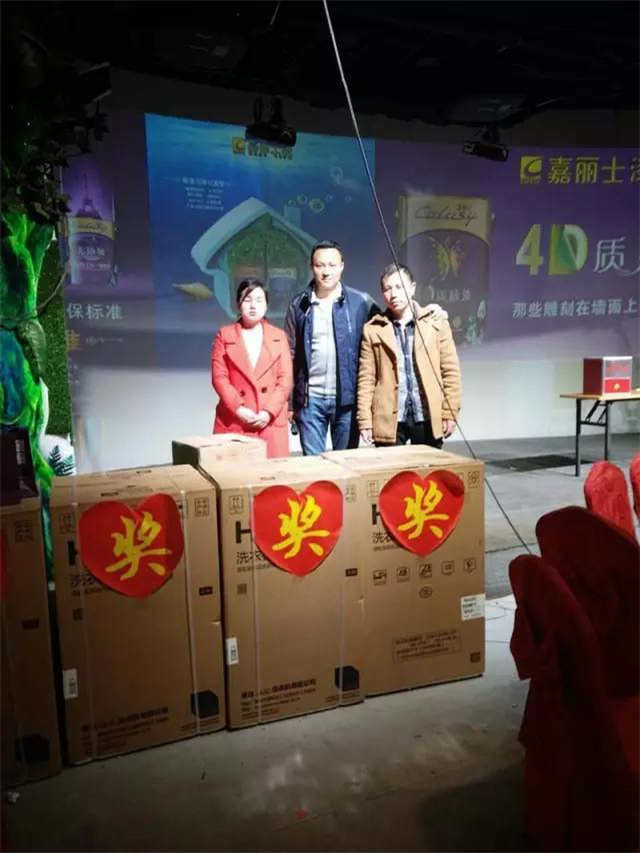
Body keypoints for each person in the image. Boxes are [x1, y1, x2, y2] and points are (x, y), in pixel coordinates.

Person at [284, 240, 377, 455]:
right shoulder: (299, 305)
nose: (326, 272)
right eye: (320, 265)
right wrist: (289, 403)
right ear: (312, 267)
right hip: (310, 401)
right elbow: (289, 355)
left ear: (342, 266)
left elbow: (391, 323)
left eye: (332, 265)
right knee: (314, 467)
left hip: (347, 401)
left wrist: (426, 311)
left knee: (346, 464)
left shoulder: (361, 302)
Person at [357, 263, 461, 449]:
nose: (394, 294)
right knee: (392, 468)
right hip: (389, 418)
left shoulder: (435, 322)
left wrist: (450, 411)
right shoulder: (373, 329)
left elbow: (450, 371)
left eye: (399, 287)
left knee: (429, 467)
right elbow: (366, 378)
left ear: (412, 288)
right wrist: (365, 419)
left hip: (427, 415)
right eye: (388, 288)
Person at [211, 279, 292, 458]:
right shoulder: (224, 335)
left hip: (269, 422)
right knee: (234, 473)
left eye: (259, 300)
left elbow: (285, 380)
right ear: (238, 304)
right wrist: (239, 409)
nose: (253, 306)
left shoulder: (279, 336)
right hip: (235, 420)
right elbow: (219, 377)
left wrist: (268, 412)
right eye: (247, 300)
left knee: (273, 473)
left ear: (266, 305)